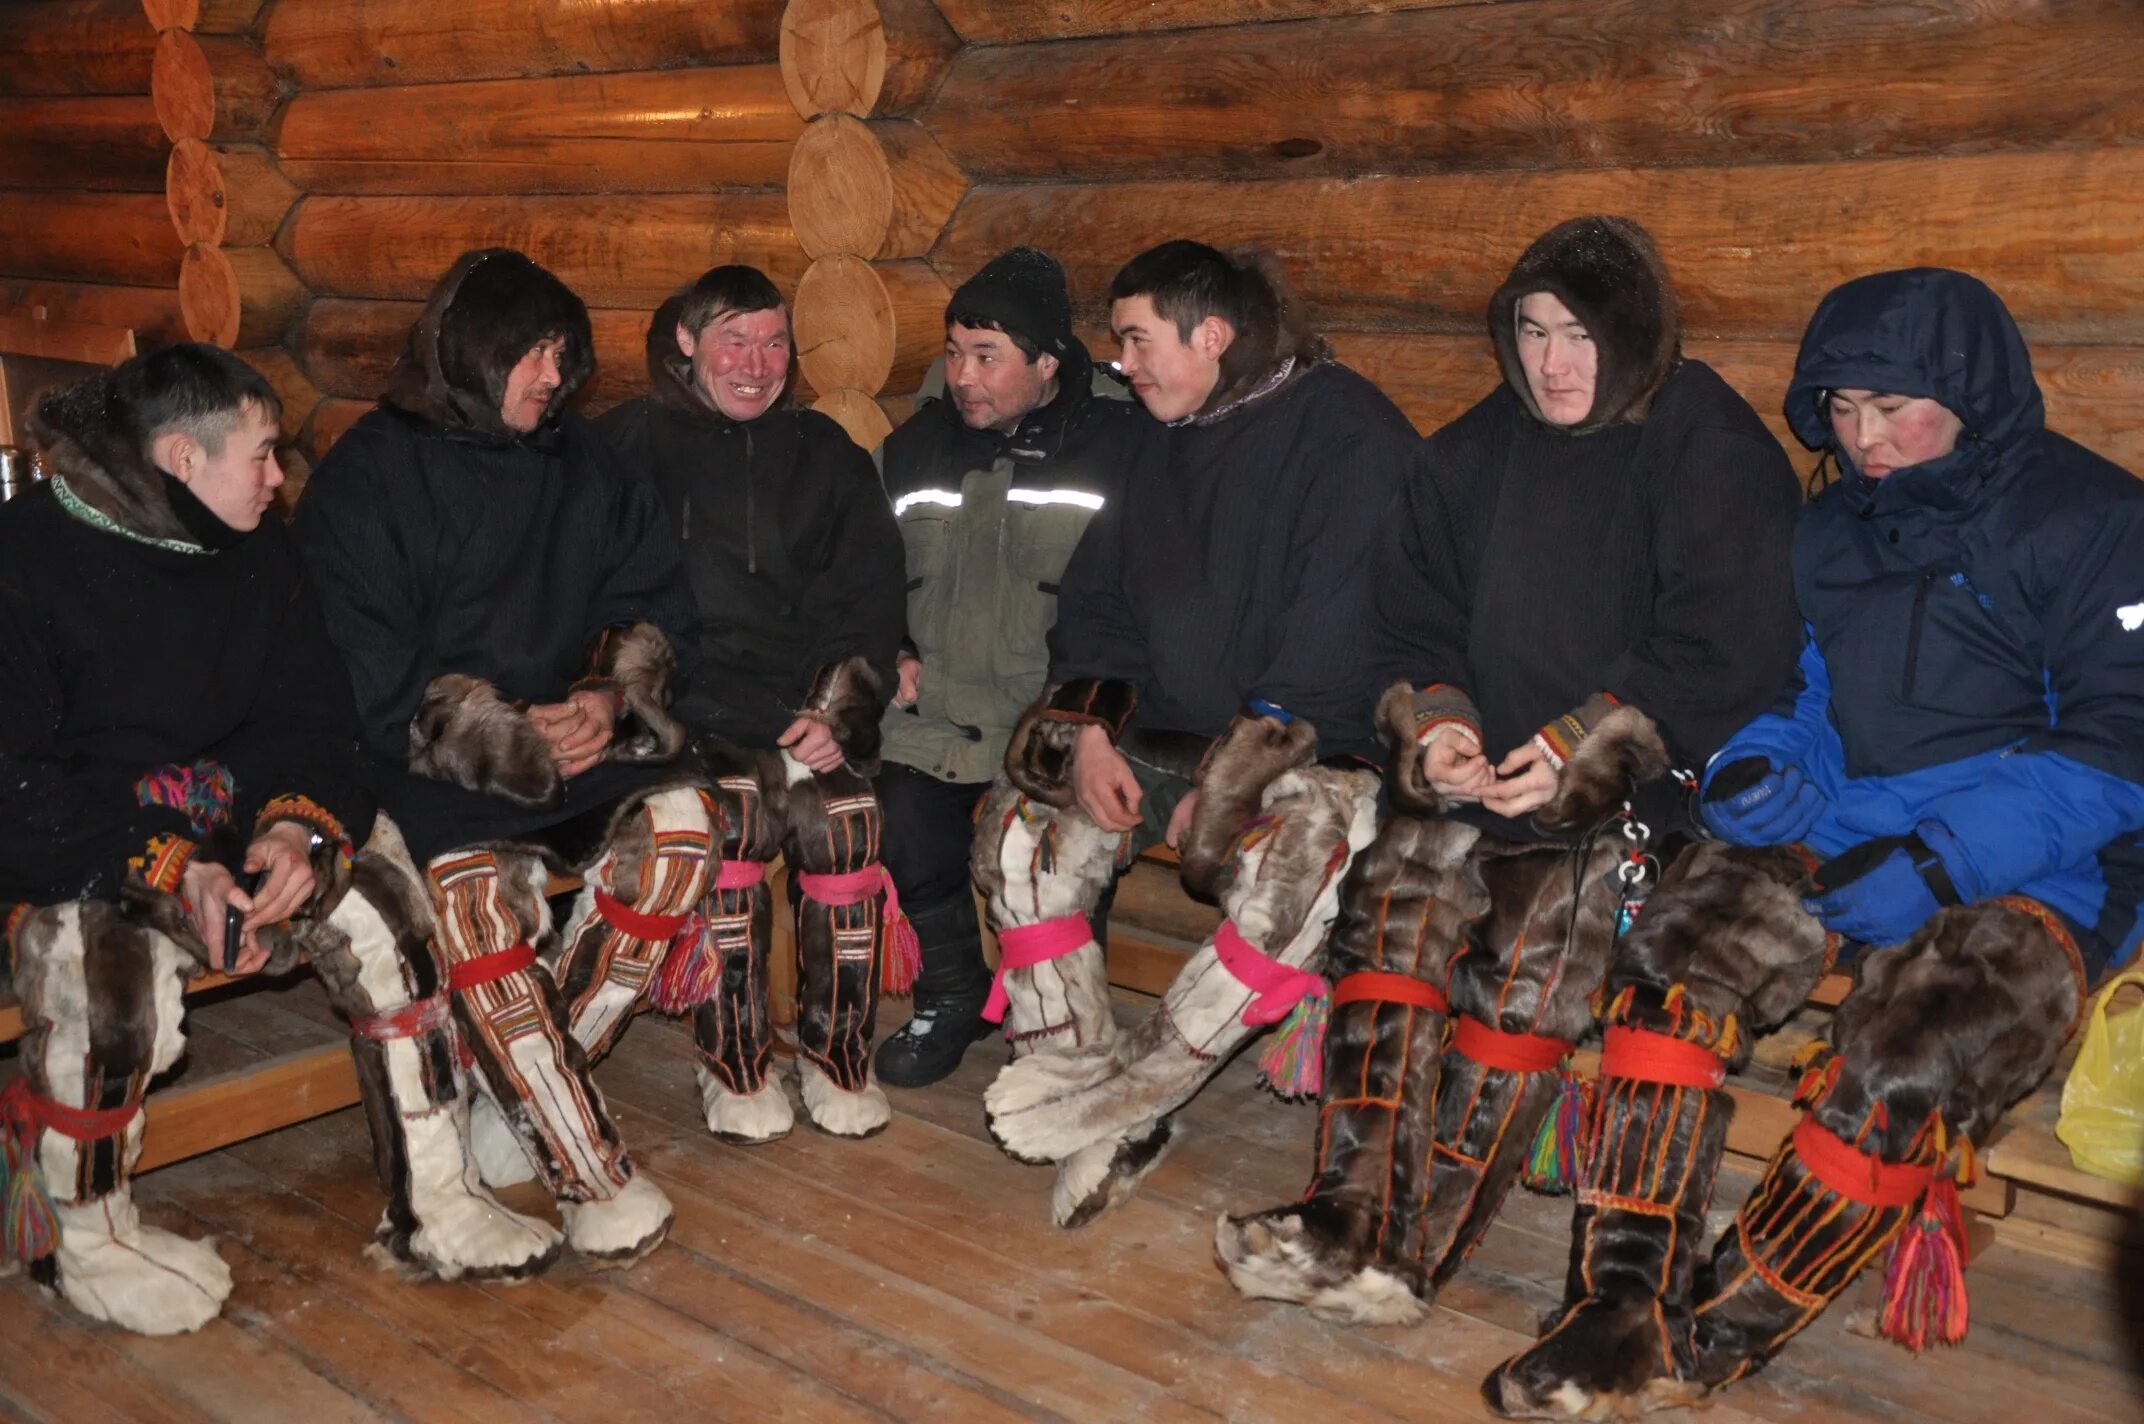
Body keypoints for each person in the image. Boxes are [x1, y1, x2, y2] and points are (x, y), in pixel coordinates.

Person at [1482, 267, 2144, 1413]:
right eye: (1839, 408)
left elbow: (2120, 743)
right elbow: (1803, 686)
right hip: (1852, 822)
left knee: (1906, 1046)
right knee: (1669, 968)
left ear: (1970, 393)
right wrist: (1763, 768)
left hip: (2050, 859)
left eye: (1892, 407)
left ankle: (1706, 1333)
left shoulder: (2094, 521)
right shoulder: (1830, 524)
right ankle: (1615, 1299)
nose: (1863, 437)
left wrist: (1938, 862)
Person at [1215, 216, 1804, 1361]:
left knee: (1533, 939)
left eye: (1578, 334)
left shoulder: (1707, 443)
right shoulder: (1476, 447)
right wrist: (1438, 719)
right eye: (1530, 332)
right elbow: (1409, 611)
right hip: (1489, 768)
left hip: (1641, 784)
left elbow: (1730, 641)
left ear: (1633, 335)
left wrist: (1589, 739)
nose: (1551, 364)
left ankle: (1411, 1243)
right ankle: (1345, 1209)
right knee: (1396, 890)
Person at [0, 345, 557, 1337]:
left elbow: (311, 709)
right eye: (260, 454)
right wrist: (166, 866)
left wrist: (296, 819)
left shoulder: (254, 542)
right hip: (88, 838)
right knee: (106, 985)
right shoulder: (24, 558)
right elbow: (14, 778)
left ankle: (435, 1198)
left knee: (389, 908)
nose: (278, 475)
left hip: (241, 818)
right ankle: (82, 1241)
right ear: (180, 456)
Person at [981, 241, 1416, 1225]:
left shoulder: (1348, 433)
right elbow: (1097, 598)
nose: (1120, 363)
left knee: (1298, 875)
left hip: (1310, 742)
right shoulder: (1157, 431)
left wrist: (1229, 777)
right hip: (1169, 727)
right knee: (1019, 832)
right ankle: (1075, 1071)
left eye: (1136, 340)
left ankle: (1125, 1098)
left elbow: (1339, 633)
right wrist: (1092, 730)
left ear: (1211, 334)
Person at [296, 249, 716, 1267]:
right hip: (430, 757)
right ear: (471, 356)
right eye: (530, 354)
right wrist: (508, 729)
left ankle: (512, 1080)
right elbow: (360, 668)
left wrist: (609, 697)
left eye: (561, 355)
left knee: (687, 827)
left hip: (573, 743)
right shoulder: (369, 474)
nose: (552, 376)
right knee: (476, 900)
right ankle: (585, 1165)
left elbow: (658, 598)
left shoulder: (586, 461)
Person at [596, 265, 909, 1143]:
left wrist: (832, 709)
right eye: (734, 339)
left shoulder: (826, 453)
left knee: (846, 817)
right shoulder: (625, 446)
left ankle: (833, 1050)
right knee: (733, 820)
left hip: (803, 713)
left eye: (775, 343)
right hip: (687, 714)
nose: (756, 363)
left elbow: (869, 595)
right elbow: (623, 617)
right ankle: (732, 1058)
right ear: (687, 342)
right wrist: (752, 713)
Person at [869, 245, 1152, 1088]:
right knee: (901, 814)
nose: (962, 375)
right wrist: (891, 644)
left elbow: (1147, 596)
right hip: (936, 713)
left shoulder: (1121, 448)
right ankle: (951, 991)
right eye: (954, 352)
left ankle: (1063, 1019)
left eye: (987, 356)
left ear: (1047, 361)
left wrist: (1097, 709)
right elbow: (866, 571)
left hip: (1060, 716)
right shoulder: (912, 448)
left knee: (1060, 851)